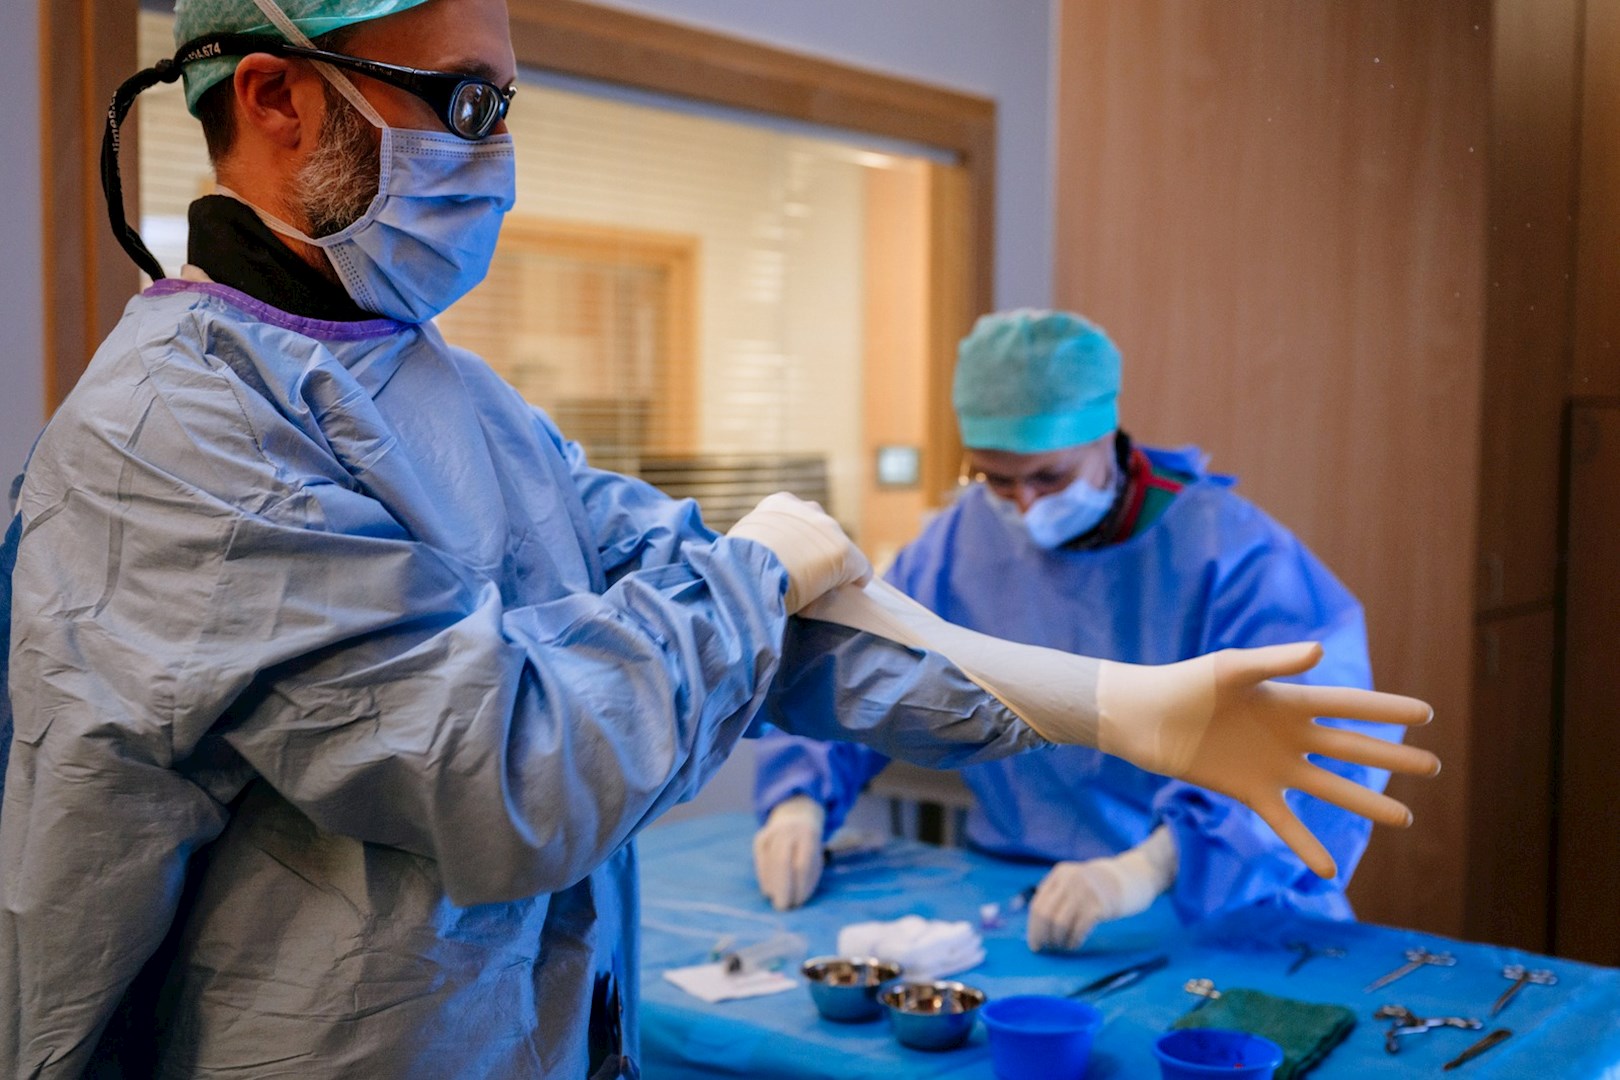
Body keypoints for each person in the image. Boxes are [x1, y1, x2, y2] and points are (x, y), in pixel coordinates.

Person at [0, 3, 1435, 1075]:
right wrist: (753, 573)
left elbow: (770, 626)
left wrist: (1121, 711)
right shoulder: (174, 442)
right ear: (276, 98)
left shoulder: (443, 390)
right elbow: (512, 775)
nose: (503, 157)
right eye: (473, 108)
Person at [754, 310, 1399, 953]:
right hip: (1013, 895)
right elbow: (867, 662)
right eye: (995, 479)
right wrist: (800, 799)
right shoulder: (958, 543)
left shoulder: (1232, 555)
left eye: (1049, 477)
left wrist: (1146, 870)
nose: (1024, 506)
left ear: (1106, 436)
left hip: (1212, 906)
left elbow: (1314, 741)